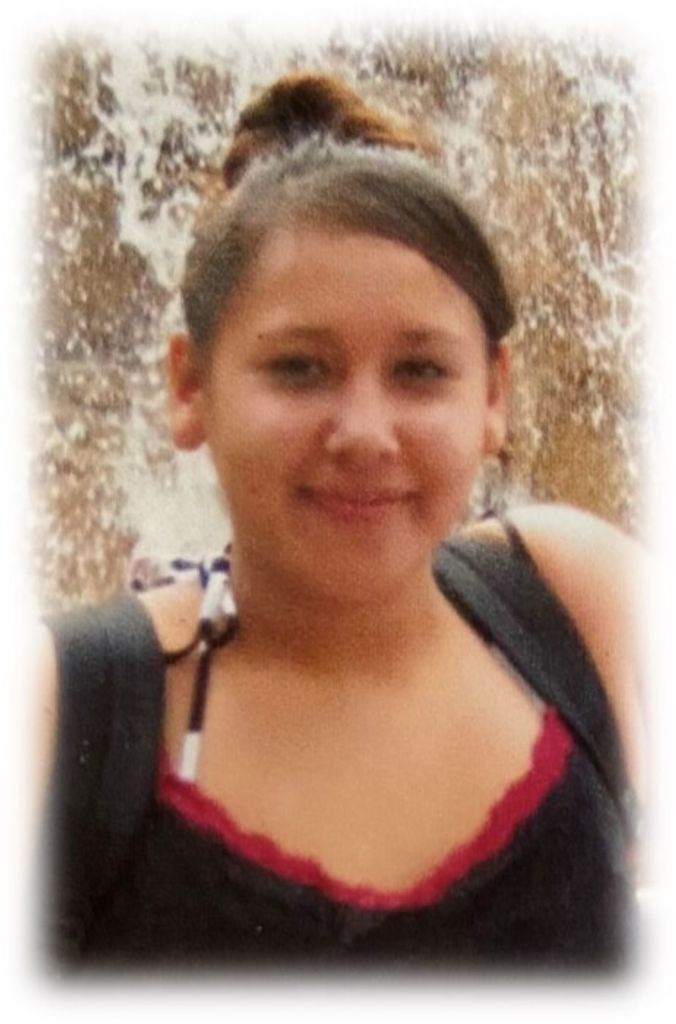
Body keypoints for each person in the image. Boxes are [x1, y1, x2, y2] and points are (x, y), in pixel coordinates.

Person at [35, 72, 645, 970]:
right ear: (189, 386)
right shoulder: (64, 708)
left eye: (420, 371)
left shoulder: (581, 605)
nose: (364, 434)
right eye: (299, 368)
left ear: (494, 393)